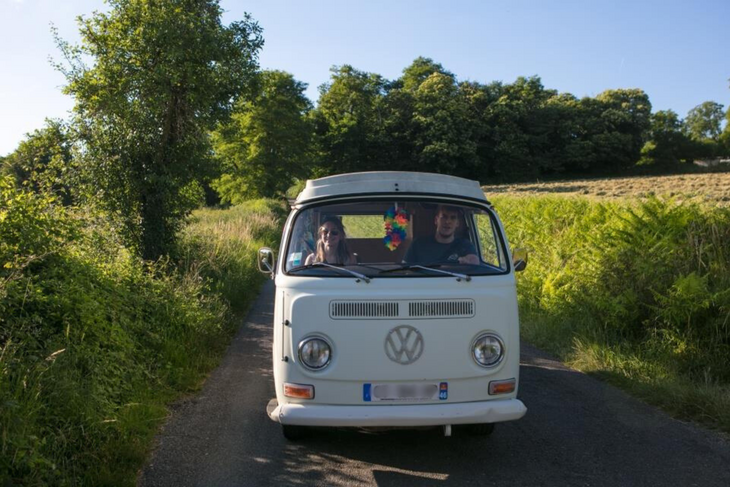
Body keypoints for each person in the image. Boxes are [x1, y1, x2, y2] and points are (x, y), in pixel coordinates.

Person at [403, 205, 479, 264]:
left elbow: (475, 262)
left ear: (457, 223)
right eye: (444, 217)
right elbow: (405, 271)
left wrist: (465, 261)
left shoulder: (465, 245)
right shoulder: (418, 244)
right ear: (436, 220)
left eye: (453, 218)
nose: (448, 221)